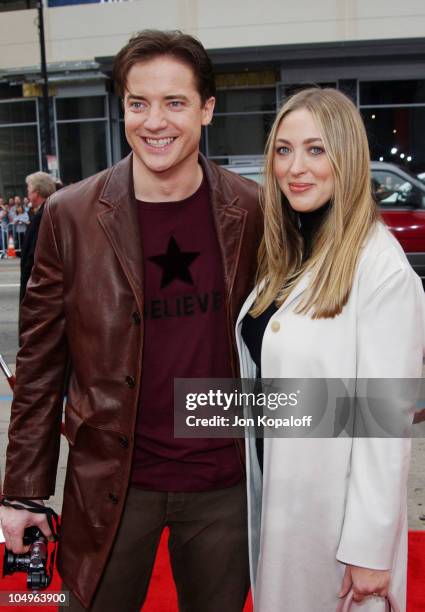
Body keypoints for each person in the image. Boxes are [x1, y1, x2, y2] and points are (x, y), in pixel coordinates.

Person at [0, 30, 261, 612]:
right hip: (111, 481)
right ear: (122, 108)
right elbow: (40, 363)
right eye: (137, 103)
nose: (154, 121)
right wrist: (23, 492)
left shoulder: (251, 208)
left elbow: (282, 346)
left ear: (207, 109)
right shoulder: (72, 215)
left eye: (175, 102)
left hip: (225, 483)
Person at [236, 88, 425, 611]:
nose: (296, 167)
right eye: (283, 149)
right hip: (286, 501)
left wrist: (369, 549)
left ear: (347, 157)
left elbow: (385, 424)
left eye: (317, 150)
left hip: (338, 532)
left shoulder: (381, 270)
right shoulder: (291, 252)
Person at [19, 171, 56, 303]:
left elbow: (34, 256)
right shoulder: (50, 210)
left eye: (29, 188)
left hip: (38, 290)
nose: (27, 192)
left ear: (37, 192)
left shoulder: (43, 216)